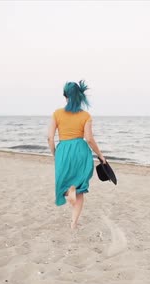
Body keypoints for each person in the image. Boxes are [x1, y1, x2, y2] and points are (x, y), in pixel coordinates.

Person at [47, 80, 106, 229]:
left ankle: (69, 191)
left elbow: (49, 137)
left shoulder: (57, 114)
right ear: (80, 96)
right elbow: (89, 139)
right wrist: (100, 156)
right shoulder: (86, 115)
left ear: (65, 96)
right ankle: (73, 224)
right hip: (81, 151)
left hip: (64, 151)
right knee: (80, 189)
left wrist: (56, 153)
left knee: (66, 183)